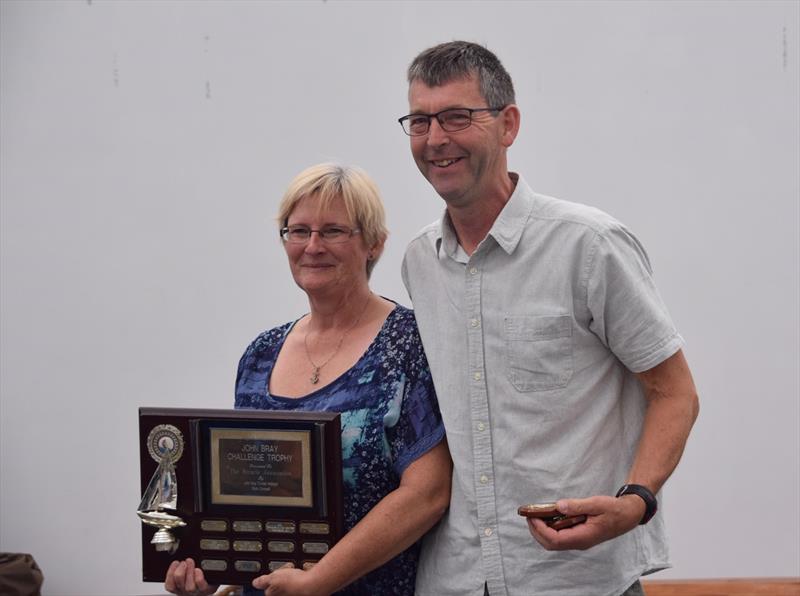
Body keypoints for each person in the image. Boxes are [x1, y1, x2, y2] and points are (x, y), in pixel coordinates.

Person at [399, 41, 699, 596]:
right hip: (456, 578)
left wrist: (636, 501)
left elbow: (675, 392)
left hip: (578, 580)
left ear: (508, 124)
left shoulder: (589, 246)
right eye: (420, 120)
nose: (436, 139)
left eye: (457, 117)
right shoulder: (421, 261)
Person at [166, 163, 452, 596]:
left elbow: (428, 493)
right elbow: (246, 496)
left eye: (334, 231)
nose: (312, 246)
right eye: (298, 231)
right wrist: (214, 571)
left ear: (374, 243)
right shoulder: (261, 354)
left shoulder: (409, 342)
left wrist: (321, 580)